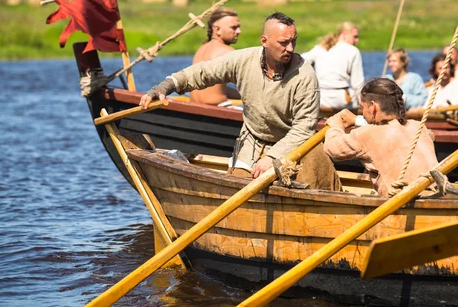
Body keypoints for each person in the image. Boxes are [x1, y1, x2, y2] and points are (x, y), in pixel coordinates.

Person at [139, 12, 340, 190]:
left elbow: (304, 128)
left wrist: (272, 157)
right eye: (283, 43)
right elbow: (202, 73)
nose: (290, 48)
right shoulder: (243, 59)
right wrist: (165, 86)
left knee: (304, 189)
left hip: (293, 148)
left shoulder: (305, 76)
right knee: (236, 189)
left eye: (293, 41)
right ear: (264, 41)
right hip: (251, 144)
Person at [324, 78, 438, 197]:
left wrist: (335, 126)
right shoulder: (418, 126)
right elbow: (391, 130)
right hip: (438, 195)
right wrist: (356, 120)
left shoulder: (367, 134)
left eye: (362, 107)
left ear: (372, 106)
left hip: (404, 203)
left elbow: (331, 148)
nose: (363, 113)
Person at [301, 22, 364, 110]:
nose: (357, 40)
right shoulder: (353, 51)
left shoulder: (320, 48)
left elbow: (301, 60)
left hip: (320, 99)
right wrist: (363, 105)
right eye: (355, 37)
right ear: (344, 34)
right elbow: (357, 84)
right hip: (341, 101)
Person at [190, 7, 242, 105]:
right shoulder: (228, 52)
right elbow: (250, 85)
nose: (239, 31)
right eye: (234, 27)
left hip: (194, 107)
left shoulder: (201, 49)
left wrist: (242, 95)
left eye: (238, 27)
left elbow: (215, 89)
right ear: (217, 29)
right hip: (216, 109)